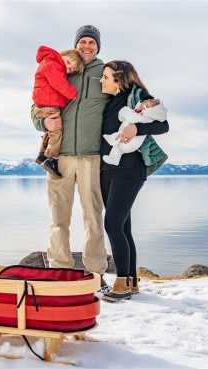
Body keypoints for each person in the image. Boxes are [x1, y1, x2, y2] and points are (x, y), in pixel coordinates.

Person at [30, 25, 110, 278]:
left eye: (91, 43)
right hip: (59, 157)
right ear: (76, 44)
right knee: (58, 217)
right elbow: (36, 107)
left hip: (91, 156)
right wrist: (43, 123)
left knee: (93, 217)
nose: (86, 46)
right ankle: (58, 269)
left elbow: (121, 104)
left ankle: (96, 273)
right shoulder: (63, 68)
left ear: (98, 46)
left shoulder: (106, 72)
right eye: (83, 42)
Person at [99, 60, 170, 302]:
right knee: (123, 227)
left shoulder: (136, 95)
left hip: (129, 170)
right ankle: (131, 282)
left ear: (119, 79)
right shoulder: (109, 102)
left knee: (112, 224)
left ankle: (121, 284)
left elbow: (163, 124)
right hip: (107, 169)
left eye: (106, 77)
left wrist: (136, 130)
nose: (102, 81)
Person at [32, 46, 84, 178]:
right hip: (47, 105)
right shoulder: (52, 65)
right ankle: (50, 158)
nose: (68, 69)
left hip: (47, 103)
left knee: (52, 133)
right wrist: (71, 93)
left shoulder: (52, 64)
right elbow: (58, 83)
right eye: (68, 63)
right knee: (56, 132)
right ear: (62, 55)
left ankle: (42, 155)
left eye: (71, 69)